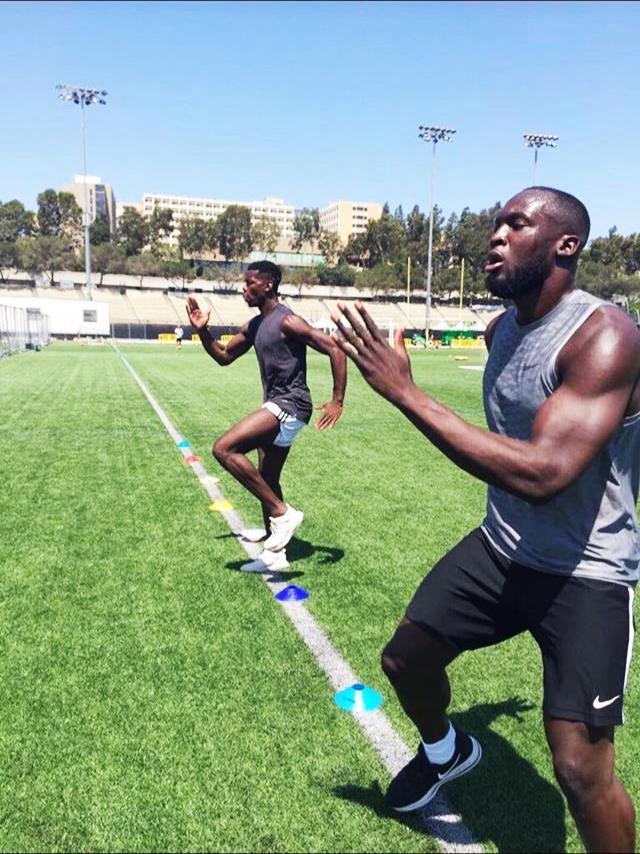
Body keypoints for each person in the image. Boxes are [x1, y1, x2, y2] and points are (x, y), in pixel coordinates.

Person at [331, 187, 640, 852]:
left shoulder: (605, 336)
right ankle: (448, 752)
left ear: (565, 245)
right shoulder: (501, 329)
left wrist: (407, 394)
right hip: (502, 549)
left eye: (515, 224)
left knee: (580, 772)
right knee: (405, 659)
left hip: (584, 572)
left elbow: (544, 473)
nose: (495, 236)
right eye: (495, 224)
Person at [186, 260, 347, 572]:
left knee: (224, 448)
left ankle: (281, 513)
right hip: (278, 405)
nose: (243, 289)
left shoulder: (288, 321)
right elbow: (223, 356)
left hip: (291, 404)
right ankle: (275, 556)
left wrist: (338, 399)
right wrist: (203, 331)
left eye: (249, 283)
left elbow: (335, 350)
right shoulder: (256, 325)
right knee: (267, 477)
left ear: (268, 285)